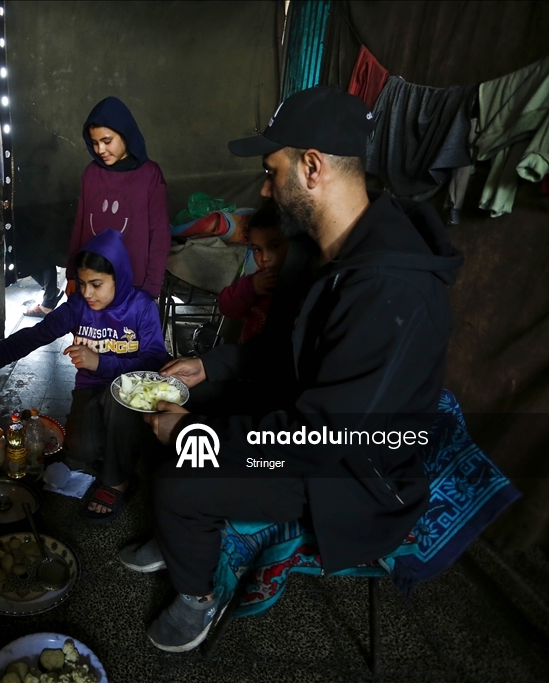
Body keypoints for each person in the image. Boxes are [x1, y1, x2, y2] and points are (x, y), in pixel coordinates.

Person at [117, 86, 463, 652]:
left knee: (184, 474)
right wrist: (208, 367)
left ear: (312, 167)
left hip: (349, 471)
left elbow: (324, 439)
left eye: (270, 171)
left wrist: (191, 436)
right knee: (176, 395)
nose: (263, 188)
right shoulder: (323, 251)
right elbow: (286, 353)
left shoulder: (391, 290)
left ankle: (195, 595)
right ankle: (183, 535)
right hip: (312, 418)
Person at [0, 229, 169, 522]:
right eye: (82, 283)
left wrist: (101, 363)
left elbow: (156, 362)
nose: (87, 293)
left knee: (119, 402)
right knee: (80, 451)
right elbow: (27, 339)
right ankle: (115, 442)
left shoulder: (141, 307)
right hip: (90, 389)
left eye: (96, 284)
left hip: (129, 390)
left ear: (119, 277)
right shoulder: (78, 307)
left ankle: (118, 482)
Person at [65, 96, 171, 300]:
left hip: (133, 286)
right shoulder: (91, 173)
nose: (100, 150)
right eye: (94, 143)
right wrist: (72, 274)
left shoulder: (150, 175)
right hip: (90, 284)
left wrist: (151, 288)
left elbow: (159, 235)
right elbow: (80, 226)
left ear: (126, 134)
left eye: (107, 141)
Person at [217, 199, 289, 343]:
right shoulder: (256, 281)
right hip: (248, 353)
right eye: (257, 249)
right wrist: (251, 288)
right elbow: (226, 307)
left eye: (274, 246)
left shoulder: (304, 283)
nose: (265, 258)